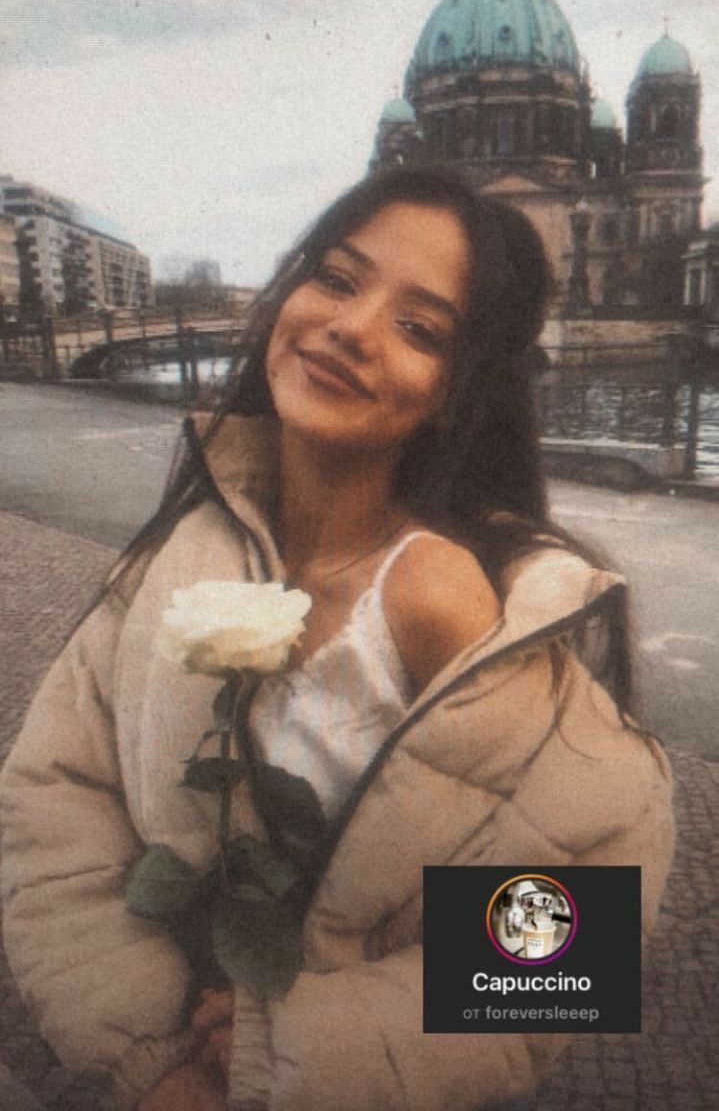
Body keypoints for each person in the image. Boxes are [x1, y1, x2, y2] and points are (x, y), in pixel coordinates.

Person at [0, 166, 674, 1111]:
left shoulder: (437, 593)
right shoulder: (188, 539)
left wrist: (294, 1049)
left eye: (419, 328)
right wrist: (154, 1063)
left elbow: (570, 945)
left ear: (455, 390)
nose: (351, 328)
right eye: (339, 279)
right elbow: (53, 801)